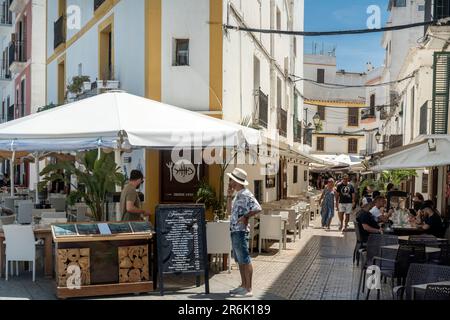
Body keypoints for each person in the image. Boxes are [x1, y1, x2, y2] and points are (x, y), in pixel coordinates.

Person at [227, 168, 262, 298]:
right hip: (235, 230)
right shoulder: (238, 195)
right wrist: (229, 197)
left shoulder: (246, 194)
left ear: (236, 181)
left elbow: (258, 207)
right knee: (240, 260)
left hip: (241, 231)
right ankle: (243, 286)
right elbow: (229, 212)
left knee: (245, 259)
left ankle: (248, 288)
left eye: (231, 180)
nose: (230, 182)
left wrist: (246, 216)